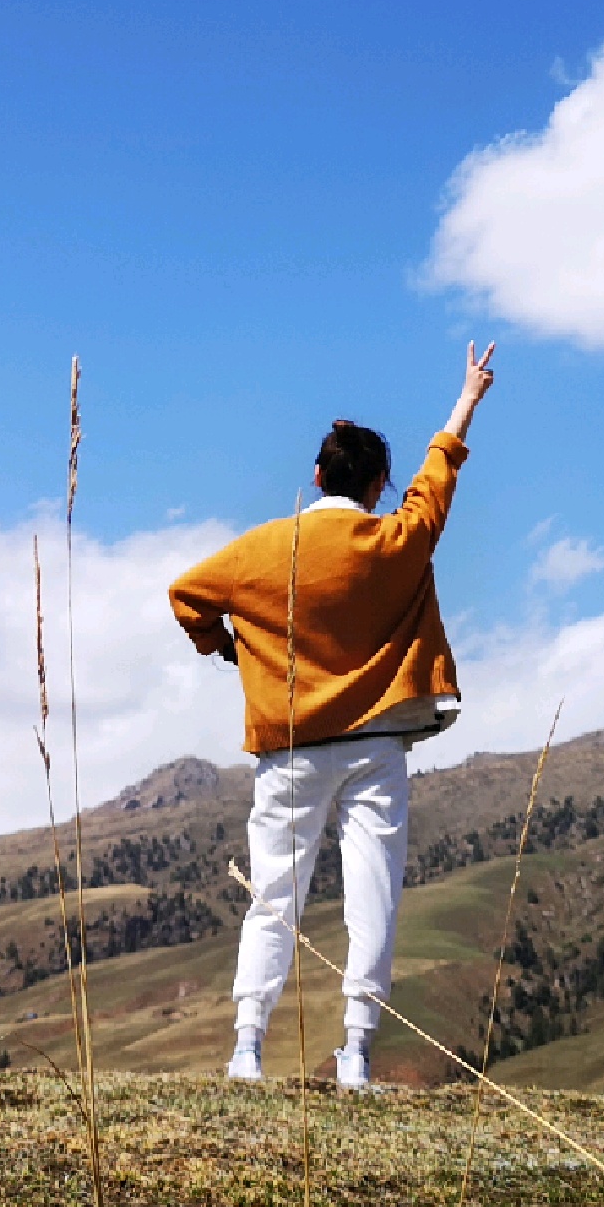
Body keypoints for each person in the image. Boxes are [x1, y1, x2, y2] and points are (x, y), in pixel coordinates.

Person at [167, 341, 498, 1090]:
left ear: (315, 475)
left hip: (288, 754)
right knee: (371, 897)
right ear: (378, 485)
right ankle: (355, 1052)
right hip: (376, 747)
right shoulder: (396, 539)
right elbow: (437, 474)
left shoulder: (261, 549)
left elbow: (185, 592)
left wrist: (222, 646)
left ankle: (246, 1048)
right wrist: (467, 396)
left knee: (272, 898)